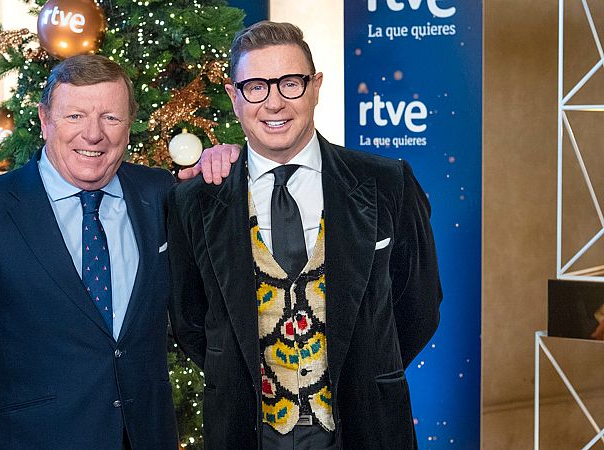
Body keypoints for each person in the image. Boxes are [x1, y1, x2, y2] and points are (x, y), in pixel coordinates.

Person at [0, 54, 236, 449]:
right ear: (45, 120)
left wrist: (225, 164)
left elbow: (216, 291)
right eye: (75, 116)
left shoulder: (159, 193)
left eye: (111, 117)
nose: (93, 134)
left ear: (129, 125)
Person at [167, 21, 442, 449]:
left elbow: (419, 306)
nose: (274, 102)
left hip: (365, 429)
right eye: (256, 87)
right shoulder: (194, 200)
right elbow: (189, 321)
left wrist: (363, 376)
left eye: (290, 83)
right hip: (247, 433)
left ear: (316, 87)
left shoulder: (388, 183)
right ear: (234, 97)